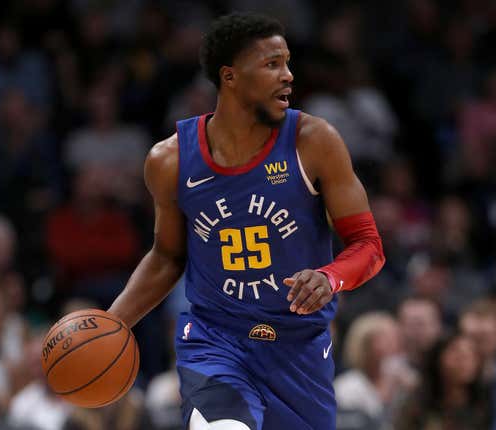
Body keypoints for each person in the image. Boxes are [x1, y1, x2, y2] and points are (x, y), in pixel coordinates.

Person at [109, 12, 385, 430]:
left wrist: (330, 277)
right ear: (230, 76)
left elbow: (368, 245)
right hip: (216, 343)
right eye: (272, 64)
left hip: (298, 351)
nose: (288, 75)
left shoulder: (314, 141)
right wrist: (113, 325)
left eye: (288, 62)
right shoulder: (171, 160)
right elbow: (167, 256)